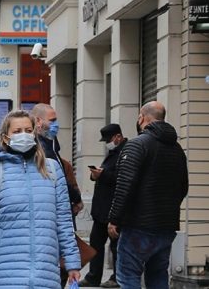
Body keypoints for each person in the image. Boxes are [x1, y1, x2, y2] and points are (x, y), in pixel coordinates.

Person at [0, 110, 81, 288]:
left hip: (45, 271)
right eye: (17, 131)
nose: (24, 135)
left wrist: (72, 263)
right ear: (5, 138)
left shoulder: (52, 169)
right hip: (2, 272)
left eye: (28, 131)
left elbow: (63, 220)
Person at [108, 102, 188, 289]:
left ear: (141, 117)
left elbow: (124, 186)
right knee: (158, 275)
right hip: (166, 226)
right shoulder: (177, 150)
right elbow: (183, 187)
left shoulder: (137, 145)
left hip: (138, 225)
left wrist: (114, 218)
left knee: (128, 275)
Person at [79, 124, 125, 288]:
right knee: (96, 243)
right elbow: (106, 175)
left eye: (108, 139)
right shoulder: (112, 152)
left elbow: (122, 179)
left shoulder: (126, 153)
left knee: (115, 246)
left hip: (113, 208)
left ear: (117, 137)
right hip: (101, 210)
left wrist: (103, 174)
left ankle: (117, 277)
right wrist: (95, 176)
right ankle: (93, 276)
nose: (107, 143)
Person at [31, 103, 84, 216]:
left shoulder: (51, 144)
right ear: (38, 121)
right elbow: (59, 180)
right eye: (52, 120)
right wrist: (77, 198)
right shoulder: (41, 149)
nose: (56, 124)